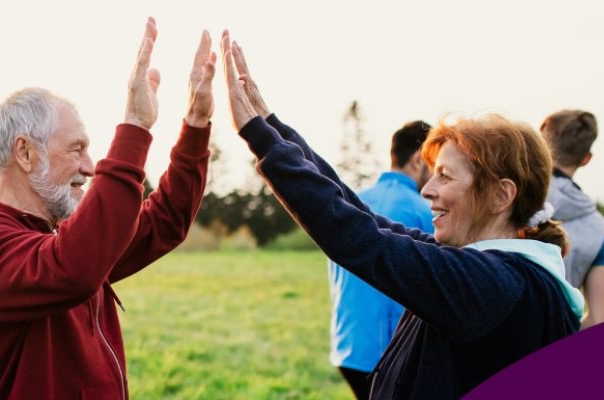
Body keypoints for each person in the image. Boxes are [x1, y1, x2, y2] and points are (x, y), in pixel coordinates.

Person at [219, 31, 581, 398]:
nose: (427, 189)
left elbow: (361, 239)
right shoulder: (493, 271)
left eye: (446, 176)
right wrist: (272, 129)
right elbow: (365, 218)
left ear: (501, 194)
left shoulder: (491, 285)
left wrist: (257, 135)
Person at [0, 18, 214, 399]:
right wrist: (134, 127)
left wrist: (195, 126)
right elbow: (72, 269)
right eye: (76, 149)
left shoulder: (57, 240)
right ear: (25, 153)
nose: (91, 166)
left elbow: (163, 223)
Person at [327, 121, 434, 399]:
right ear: (417, 160)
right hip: (390, 351)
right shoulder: (426, 212)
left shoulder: (351, 202)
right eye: (434, 163)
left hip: (347, 345)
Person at [540, 109, 604, 329]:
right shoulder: (602, 233)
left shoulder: (505, 198)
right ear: (586, 159)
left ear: (540, 145)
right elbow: (600, 322)